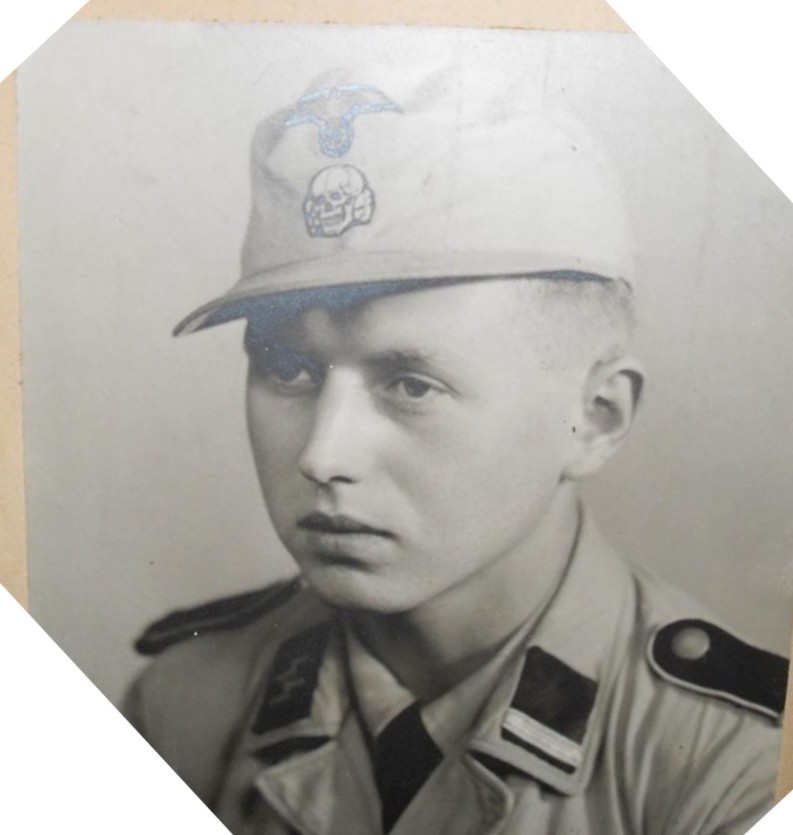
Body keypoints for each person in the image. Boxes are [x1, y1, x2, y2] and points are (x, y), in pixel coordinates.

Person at [124, 60, 788, 835]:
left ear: (595, 418)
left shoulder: (737, 765)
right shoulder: (183, 704)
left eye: (410, 383)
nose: (322, 455)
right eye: (288, 369)